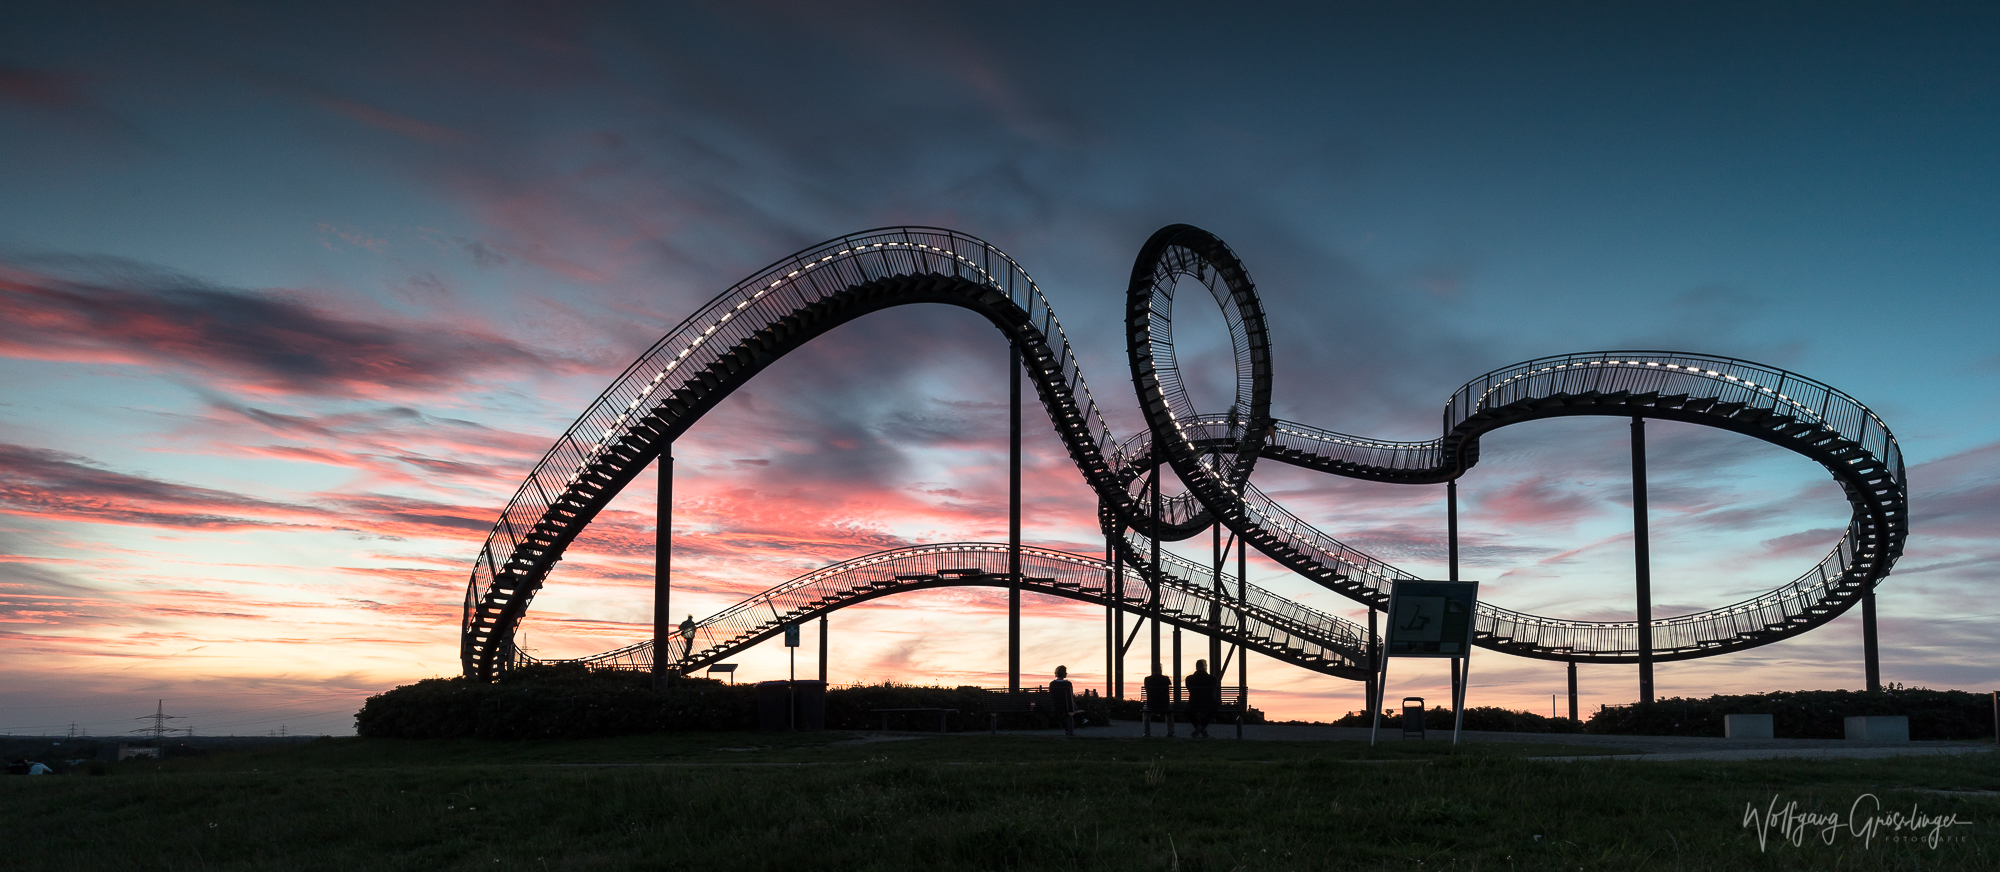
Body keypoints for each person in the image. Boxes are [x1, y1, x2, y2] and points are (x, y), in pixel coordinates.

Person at [1186, 659, 1219, 738]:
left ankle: (1198, 726)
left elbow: (1188, 688)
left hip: (1193, 704)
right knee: (1214, 709)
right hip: (1209, 704)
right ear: (1205, 667)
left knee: (1187, 710)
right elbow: (1214, 688)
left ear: (1196, 667)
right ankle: (1202, 727)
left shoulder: (1189, 679)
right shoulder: (1212, 679)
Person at [1049, 665, 1076, 736]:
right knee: (1072, 706)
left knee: (1071, 706)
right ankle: (1081, 719)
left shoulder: (1052, 684)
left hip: (1055, 705)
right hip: (1066, 706)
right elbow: (1070, 696)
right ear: (1064, 674)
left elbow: (1051, 695)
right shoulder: (1068, 684)